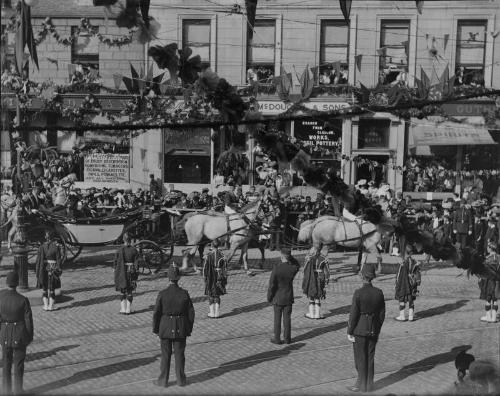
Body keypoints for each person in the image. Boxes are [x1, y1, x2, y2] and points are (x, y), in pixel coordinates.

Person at [152, 264, 195, 388]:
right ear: (179, 278)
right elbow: (191, 313)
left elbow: (156, 313)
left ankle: (162, 381)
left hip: (165, 327)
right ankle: (181, 380)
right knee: (180, 355)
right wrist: (188, 329)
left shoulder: (162, 293)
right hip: (180, 327)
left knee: (165, 355)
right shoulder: (184, 293)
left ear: (168, 278)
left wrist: (156, 329)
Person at [347, 262, 385, 393]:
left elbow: (353, 315)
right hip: (373, 329)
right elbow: (382, 314)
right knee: (370, 357)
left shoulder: (358, 293)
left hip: (359, 329)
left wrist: (350, 330)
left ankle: (361, 385)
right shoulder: (379, 293)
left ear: (362, 276)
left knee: (360, 358)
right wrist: (377, 328)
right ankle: (369, 385)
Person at [0, 271, 34, 395]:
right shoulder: (23, 300)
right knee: (19, 365)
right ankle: (19, 392)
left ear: (7, 282)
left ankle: (6, 391)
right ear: (17, 283)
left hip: (4, 334)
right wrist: (29, 337)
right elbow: (28, 321)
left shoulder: (0, 298)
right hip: (19, 335)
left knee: (6, 364)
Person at [267, 247, 300, 345]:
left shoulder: (277, 269)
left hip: (278, 298)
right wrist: (290, 257)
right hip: (288, 297)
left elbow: (272, 285)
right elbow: (297, 264)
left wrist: (269, 297)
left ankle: (277, 339)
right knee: (287, 319)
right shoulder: (292, 268)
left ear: (281, 256)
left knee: (277, 319)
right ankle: (287, 339)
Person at [35, 230, 63, 311]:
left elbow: (38, 260)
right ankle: (51, 306)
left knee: (44, 288)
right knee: (52, 288)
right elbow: (58, 260)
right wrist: (59, 269)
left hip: (44, 269)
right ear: (53, 237)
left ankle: (45, 305)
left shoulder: (42, 247)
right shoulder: (56, 246)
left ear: (45, 237)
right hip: (53, 268)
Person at [114, 233, 140, 315]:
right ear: (130, 240)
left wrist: (116, 271)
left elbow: (115, 263)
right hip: (131, 272)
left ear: (123, 240)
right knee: (129, 290)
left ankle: (123, 309)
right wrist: (136, 272)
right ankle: (128, 309)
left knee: (122, 290)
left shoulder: (119, 250)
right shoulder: (134, 250)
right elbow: (137, 263)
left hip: (121, 272)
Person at [394, 245, 421, 322]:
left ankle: (402, 316)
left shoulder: (402, 263)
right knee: (411, 299)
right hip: (412, 284)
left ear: (404, 252)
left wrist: (396, 285)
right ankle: (411, 316)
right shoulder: (414, 262)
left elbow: (398, 276)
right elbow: (417, 273)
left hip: (403, 284)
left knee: (402, 299)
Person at [202, 243, 227, 318]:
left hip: (211, 277)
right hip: (219, 276)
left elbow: (205, 268)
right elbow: (225, 268)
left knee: (211, 294)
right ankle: (217, 313)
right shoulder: (222, 255)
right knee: (217, 295)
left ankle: (212, 313)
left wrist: (204, 277)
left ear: (212, 247)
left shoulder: (208, 256)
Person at [302, 253, 330, 319]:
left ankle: (311, 314)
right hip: (320, 277)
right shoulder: (324, 258)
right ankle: (317, 314)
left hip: (311, 277)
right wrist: (326, 281)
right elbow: (327, 271)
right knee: (318, 295)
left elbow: (304, 269)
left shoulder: (309, 257)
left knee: (311, 295)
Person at [478, 242, 499, 323]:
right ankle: (494, 318)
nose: (487, 248)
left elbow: (483, 271)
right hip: (497, 281)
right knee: (495, 299)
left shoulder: (487, 259)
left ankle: (488, 317)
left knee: (488, 299)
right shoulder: (499, 257)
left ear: (490, 248)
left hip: (488, 281)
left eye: (488, 247)